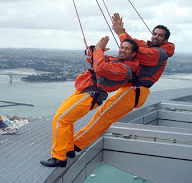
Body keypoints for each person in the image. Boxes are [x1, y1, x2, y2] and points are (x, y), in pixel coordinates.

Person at [73, 13, 175, 152]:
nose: (156, 36)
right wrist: (120, 32)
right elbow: (134, 43)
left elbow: (137, 52)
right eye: (154, 33)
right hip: (131, 90)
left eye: (160, 35)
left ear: (165, 39)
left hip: (134, 91)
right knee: (104, 115)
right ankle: (77, 143)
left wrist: (120, 33)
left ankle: (75, 145)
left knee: (104, 116)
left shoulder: (160, 54)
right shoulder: (149, 47)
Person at [40, 35, 139, 167]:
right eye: (121, 47)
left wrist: (99, 50)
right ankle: (69, 150)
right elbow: (92, 61)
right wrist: (96, 49)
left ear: (133, 54)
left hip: (90, 94)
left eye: (127, 49)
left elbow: (100, 68)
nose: (122, 50)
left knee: (60, 119)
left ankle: (58, 157)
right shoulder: (116, 61)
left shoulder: (124, 69)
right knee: (67, 119)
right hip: (84, 91)